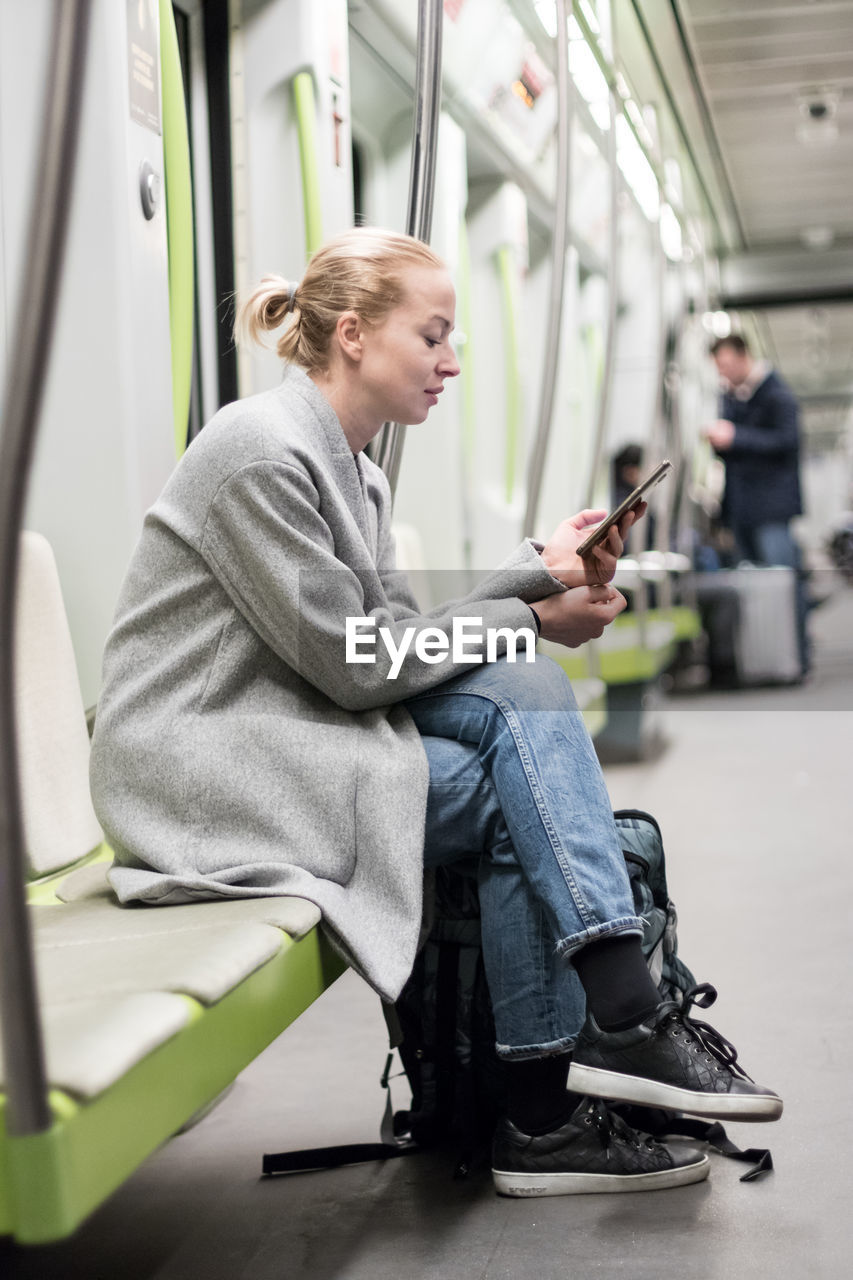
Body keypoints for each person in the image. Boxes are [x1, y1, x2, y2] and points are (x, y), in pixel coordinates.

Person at [90, 229, 781, 1200]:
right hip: (202, 773)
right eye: (435, 335)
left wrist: (539, 570)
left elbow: (397, 639)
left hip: (284, 740)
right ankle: (571, 1073)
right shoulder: (259, 452)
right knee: (513, 759)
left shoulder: (355, 466)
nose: (453, 361)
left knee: (520, 692)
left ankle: (587, 1056)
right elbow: (355, 663)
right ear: (355, 335)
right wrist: (531, 617)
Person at [705, 333, 809, 673]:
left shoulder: (776, 394)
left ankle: (795, 661)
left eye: (726, 364)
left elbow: (787, 440)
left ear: (743, 356)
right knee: (752, 589)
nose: (722, 372)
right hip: (743, 509)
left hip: (771, 509)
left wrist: (736, 436)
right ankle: (762, 660)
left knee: (782, 585)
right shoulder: (733, 397)